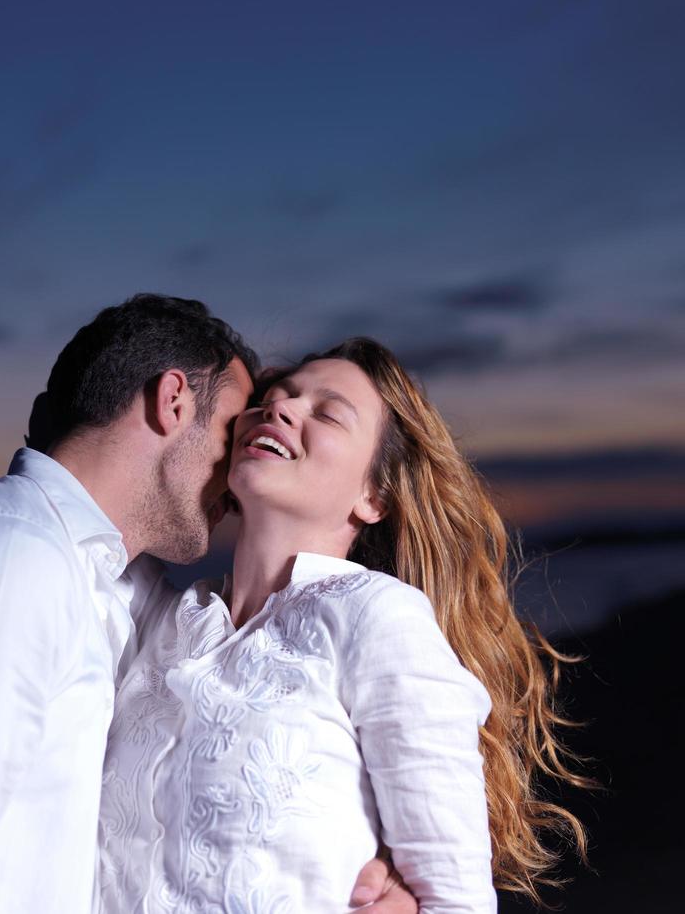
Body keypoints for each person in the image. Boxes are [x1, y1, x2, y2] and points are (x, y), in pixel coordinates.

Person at [0, 297, 412, 914]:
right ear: (173, 402)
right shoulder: (10, 554)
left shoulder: (123, 593)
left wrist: (376, 858)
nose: (239, 463)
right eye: (231, 433)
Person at [98, 338, 586, 913]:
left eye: (326, 413)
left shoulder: (376, 616)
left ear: (373, 495)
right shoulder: (161, 615)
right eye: (275, 397)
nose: (280, 409)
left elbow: (457, 900)